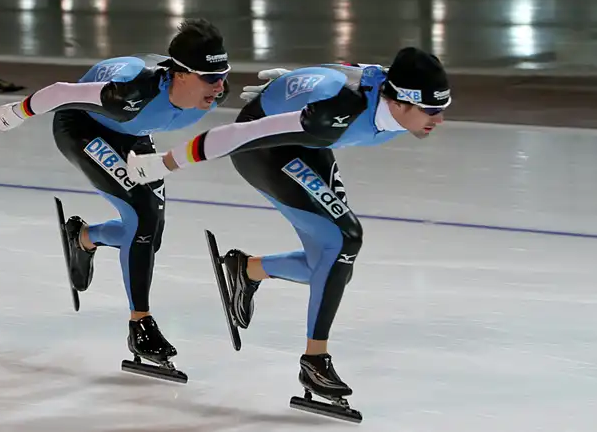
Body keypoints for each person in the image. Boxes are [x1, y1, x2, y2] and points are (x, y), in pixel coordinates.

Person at [125, 47, 451, 417]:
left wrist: (292, 85)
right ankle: (315, 360)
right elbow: (234, 136)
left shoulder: (389, 89)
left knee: (332, 265)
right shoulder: (335, 113)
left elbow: (354, 68)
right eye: (431, 110)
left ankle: (247, 270)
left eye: (442, 107)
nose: (439, 119)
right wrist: (164, 163)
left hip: (310, 141)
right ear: (400, 102)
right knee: (345, 238)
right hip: (267, 149)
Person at [0, 18, 231, 381]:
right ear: (181, 75)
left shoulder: (213, 90)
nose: (220, 86)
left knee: (150, 236)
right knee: (143, 215)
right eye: (210, 78)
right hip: (82, 127)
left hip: (132, 132)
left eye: (223, 76)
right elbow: (61, 93)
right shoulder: (129, 94)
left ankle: (83, 238)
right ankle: (141, 325)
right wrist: (17, 112)